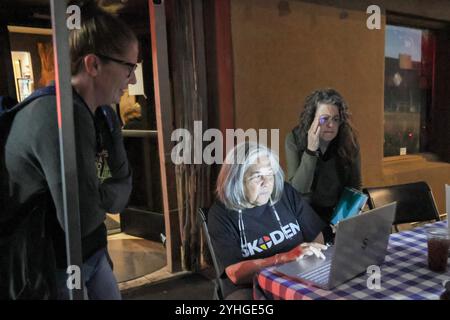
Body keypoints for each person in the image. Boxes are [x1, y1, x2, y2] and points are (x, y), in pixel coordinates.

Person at [4, 0, 137, 299]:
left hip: (93, 251)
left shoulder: (105, 115)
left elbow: (122, 192)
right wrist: (101, 192)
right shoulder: (55, 113)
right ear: (93, 64)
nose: (133, 80)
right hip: (49, 266)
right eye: (129, 67)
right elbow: (81, 217)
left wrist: (95, 193)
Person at [208, 142, 327, 300]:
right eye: (257, 176)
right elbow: (235, 274)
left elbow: (316, 237)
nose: (266, 182)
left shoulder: (286, 194)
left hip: (296, 273)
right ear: (236, 180)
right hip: (250, 286)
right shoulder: (221, 214)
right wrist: (283, 258)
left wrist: (314, 261)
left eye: (269, 174)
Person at [285, 88, 361, 243]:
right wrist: (311, 150)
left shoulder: (348, 140)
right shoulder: (294, 138)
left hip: (337, 214)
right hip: (304, 215)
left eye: (335, 119)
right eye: (324, 119)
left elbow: (354, 186)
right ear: (312, 119)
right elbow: (298, 190)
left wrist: (343, 220)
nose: (331, 125)